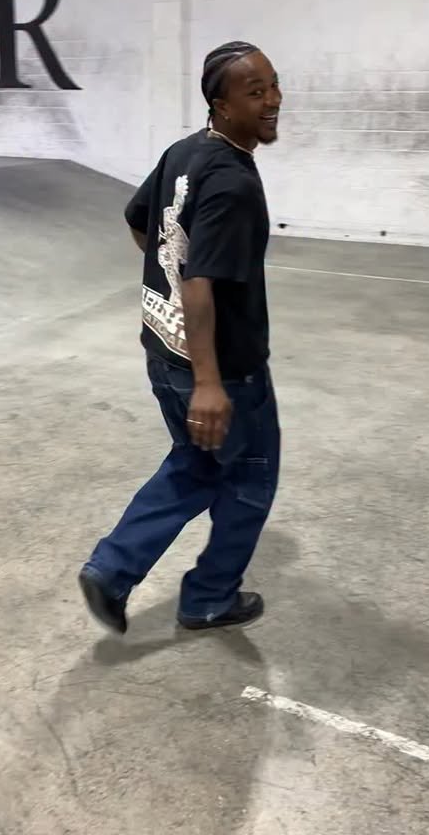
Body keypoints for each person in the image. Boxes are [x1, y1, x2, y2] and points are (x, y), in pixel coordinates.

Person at [79, 41, 282, 633]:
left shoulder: (186, 150)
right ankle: (209, 597)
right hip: (222, 369)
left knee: (198, 465)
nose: (273, 100)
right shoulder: (232, 183)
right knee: (251, 474)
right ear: (221, 105)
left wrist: (169, 272)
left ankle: (112, 569)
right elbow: (198, 284)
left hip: (163, 351)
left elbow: (139, 221)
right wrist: (210, 384)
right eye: (255, 92)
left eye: (274, 85)